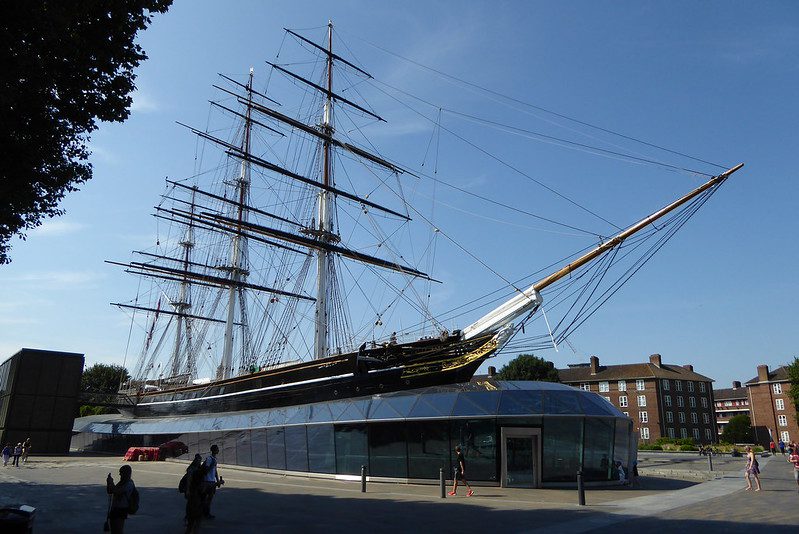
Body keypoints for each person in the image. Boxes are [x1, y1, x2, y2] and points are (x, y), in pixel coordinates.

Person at [106, 464, 136, 534]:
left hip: (121, 509)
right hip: (115, 508)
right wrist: (108, 483)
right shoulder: (122, 482)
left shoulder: (129, 483)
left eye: (121, 472)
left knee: (118, 531)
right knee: (113, 530)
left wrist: (111, 482)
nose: (120, 474)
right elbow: (110, 491)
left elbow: (117, 491)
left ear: (126, 473)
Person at [184, 454, 205, 534]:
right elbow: (189, 480)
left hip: (196, 492)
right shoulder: (192, 469)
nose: (199, 462)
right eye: (199, 460)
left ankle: (190, 525)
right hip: (193, 492)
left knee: (192, 509)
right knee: (193, 510)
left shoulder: (197, 469)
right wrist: (188, 490)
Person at [202, 444, 224, 519]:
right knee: (206, 499)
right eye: (217, 449)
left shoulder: (214, 459)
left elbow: (215, 471)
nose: (218, 450)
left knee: (209, 499)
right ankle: (205, 513)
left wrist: (217, 480)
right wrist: (212, 465)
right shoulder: (209, 459)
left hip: (212, 481)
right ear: (214, 450)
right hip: (207, 481)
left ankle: (206, 513)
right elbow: (206, 470)